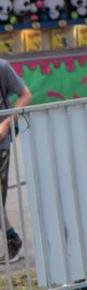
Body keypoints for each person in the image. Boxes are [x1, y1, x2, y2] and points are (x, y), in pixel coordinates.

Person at [0, 60, 31, 262]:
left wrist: (6, 123)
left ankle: (13, 239)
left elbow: (25, 95)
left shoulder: (2, 67)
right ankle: (12, 238)